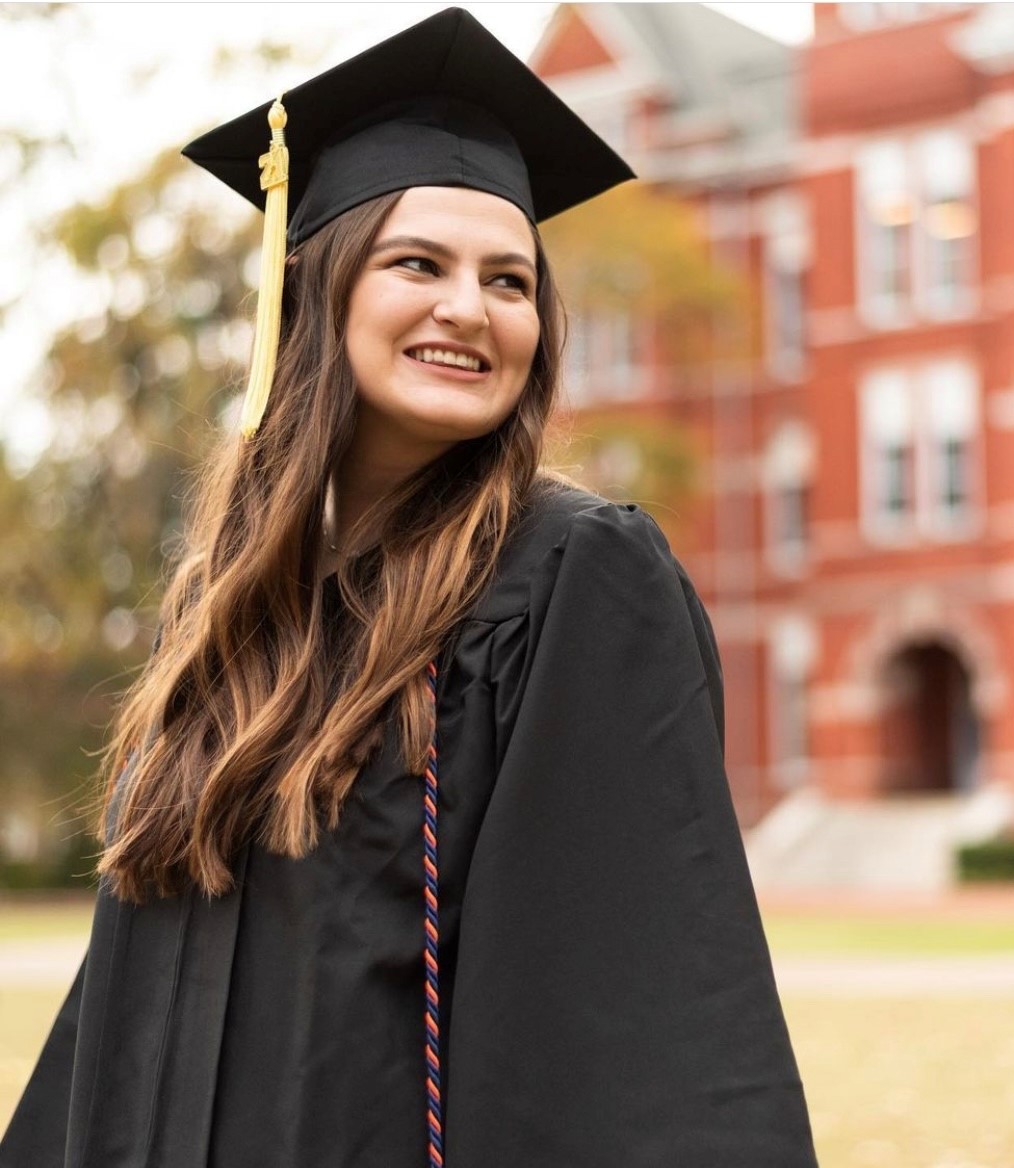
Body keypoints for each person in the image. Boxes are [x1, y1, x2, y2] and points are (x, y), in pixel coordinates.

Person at [1, 9, 819, 1167]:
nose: (469, 309)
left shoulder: (573, 579)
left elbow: (633, 1006)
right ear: (314, 291)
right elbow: (135, 989)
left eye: (510, 280)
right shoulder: (231, 609)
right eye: (417, 264)